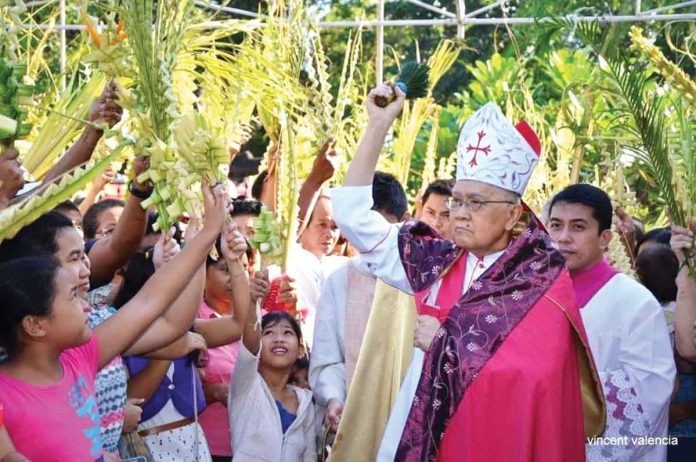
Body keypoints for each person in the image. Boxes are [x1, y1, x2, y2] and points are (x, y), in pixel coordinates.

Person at [331, 86, 603, 461]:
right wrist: (378, 126)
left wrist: (445, 344)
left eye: (475, 202)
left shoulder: (540, 277)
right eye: (457, 200)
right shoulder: (435, 260)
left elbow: (536, 377)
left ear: (512, 215)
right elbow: (354, 219)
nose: (459, 212)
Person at [0, 182, 227, 461]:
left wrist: (205, 236)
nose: (85, 304)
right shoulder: (7, 394)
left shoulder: (80, 358)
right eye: (72, 297)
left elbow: (149, 302)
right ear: (34, 324)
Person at [547, 183, 675, 461]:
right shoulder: (534, 296)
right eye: (556, 225)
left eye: (578, 227)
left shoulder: (635, 303)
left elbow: (648, 390)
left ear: (605, 238)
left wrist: (553, 388)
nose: (564, 237)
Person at [310, 171, 408, 433]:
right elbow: (329, 360)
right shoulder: (339, 281)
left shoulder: (420, 279)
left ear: (404, 222)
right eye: (363, 231)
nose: (372, 242)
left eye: (379, 232)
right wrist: (334, 397)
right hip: (353, 420)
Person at [228, 272, 316, 461]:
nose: (278, 339)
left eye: (287, 333)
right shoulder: (246, 386)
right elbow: (249, 345)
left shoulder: (305, 401)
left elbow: (309, 455)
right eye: (268, 333)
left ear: (300, 350)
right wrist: (253, 302)